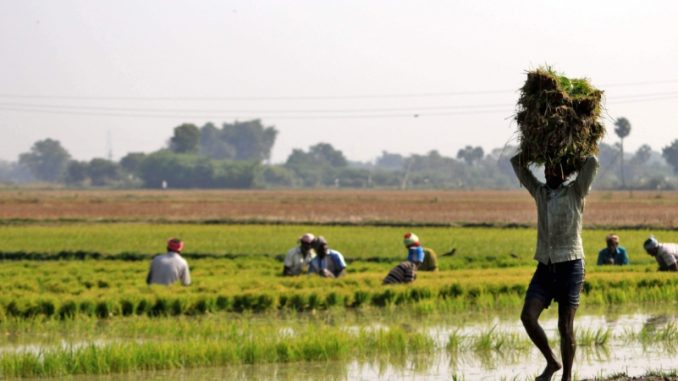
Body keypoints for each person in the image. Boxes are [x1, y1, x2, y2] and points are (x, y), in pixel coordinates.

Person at [512, 153, 598, 381]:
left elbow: (591, 162)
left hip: (571, 266)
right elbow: (516, 164)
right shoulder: (540, 193)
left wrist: (570, 154)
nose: (549, 173)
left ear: (565, 173)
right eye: (547, 169)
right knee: (528, 317)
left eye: (555, 169)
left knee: (565, 326)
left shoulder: (576, 192)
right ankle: (552, 361)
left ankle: (567, 376)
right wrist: (538, 149)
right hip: (545, 265)